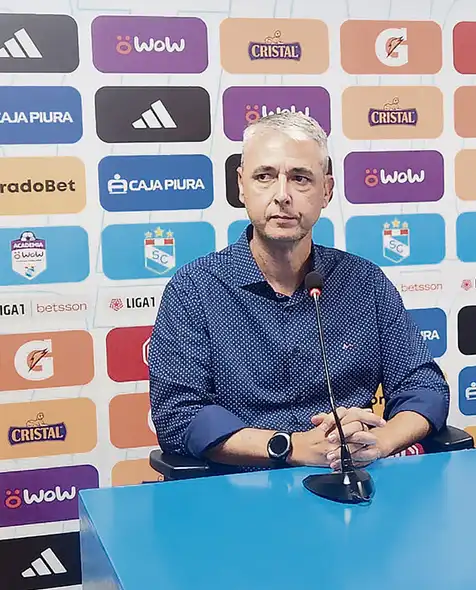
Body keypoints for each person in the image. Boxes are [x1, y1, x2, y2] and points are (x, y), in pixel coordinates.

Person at [148, 110, 449, 471]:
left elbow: (425, 388)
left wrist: (378, 444)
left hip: (352, 480)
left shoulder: (364, 281)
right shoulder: (194, 289)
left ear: (327, 191)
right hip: (242, 488)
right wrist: (291, 447)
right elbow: (178, 415)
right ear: (241, 186)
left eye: (300, 178)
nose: (282, 196)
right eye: (264, 176)